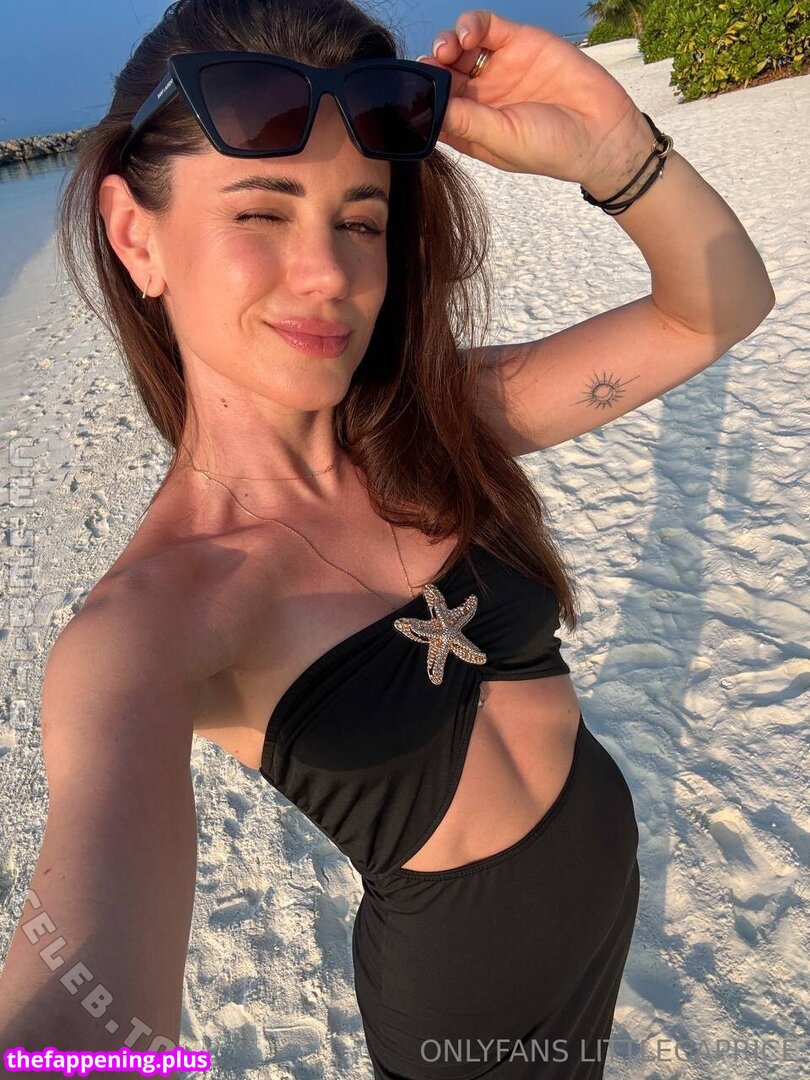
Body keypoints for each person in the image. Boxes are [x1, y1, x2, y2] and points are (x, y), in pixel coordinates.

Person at [0, 0, 776, 1075]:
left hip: (604, 920)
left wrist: (614, 152)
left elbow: (717, 307)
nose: (329, 274)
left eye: (360, 221)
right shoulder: (147, 628)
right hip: (462, 1017)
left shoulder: (438, 421)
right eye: (261, 212)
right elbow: (78, 1010)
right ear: (138, 236)